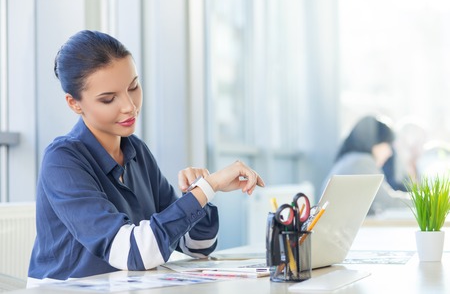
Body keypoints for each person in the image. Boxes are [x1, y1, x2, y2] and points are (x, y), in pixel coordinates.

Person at [27, 30, 265, 284]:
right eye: (108, 99)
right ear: (74, 103)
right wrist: (210, 186)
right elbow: (135, 253)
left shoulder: (136, 151)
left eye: (133, 87)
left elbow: (197, 246)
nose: (130, 105)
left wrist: (199, 192)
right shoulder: (62, 160)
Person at [323, 115, 408, 215]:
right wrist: (425, 200)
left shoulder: (351, 159)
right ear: (375, 143)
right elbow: (388, 202)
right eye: (387, 145)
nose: (389, 152)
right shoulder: (362, 162)